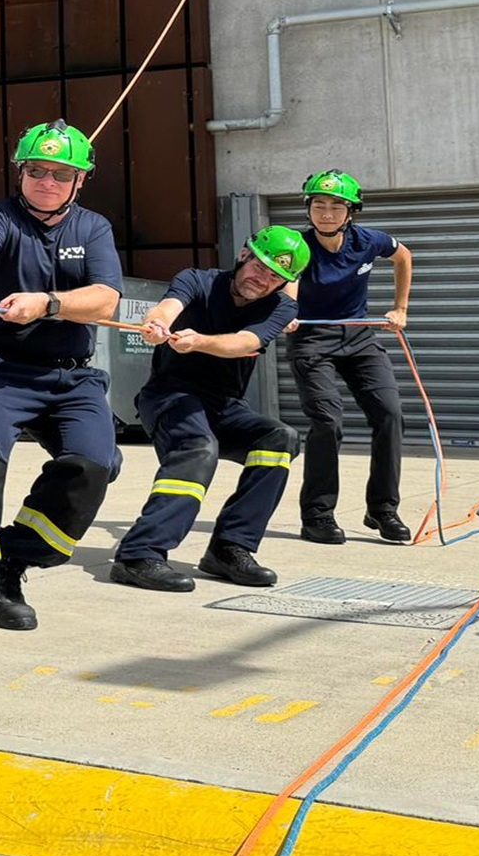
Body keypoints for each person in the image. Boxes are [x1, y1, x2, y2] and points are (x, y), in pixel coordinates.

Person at [0, 122, 125, 652]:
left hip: (69, 373)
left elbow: (105, 299)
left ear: (81, 180)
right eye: (37, 170)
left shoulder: (93, 228)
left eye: (61, 174)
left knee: (95, 465)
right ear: (21, 171)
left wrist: (48, 302)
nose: (47, 182)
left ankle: (8, 563)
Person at [107, 228, 310, 593]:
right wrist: (157, 323)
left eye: (275, 276)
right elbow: (169, 305)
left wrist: (199, 341)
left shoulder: (283, 307)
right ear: (244, 255)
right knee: (198, 447)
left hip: (224, 404)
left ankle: (231, 548)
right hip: (170, 395)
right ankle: (139, 555)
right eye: (259, 267)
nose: (262, 279)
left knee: (280, 439)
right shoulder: (197, 280)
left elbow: (244, 342)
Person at [285, 171, 415, 546]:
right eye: (318, 205)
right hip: (311, 338)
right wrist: (288, 312)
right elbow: (290, 282)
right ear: (308, 209)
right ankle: (317, 515)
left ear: (351, 211)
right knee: (328, 420)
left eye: (335, 206)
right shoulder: (299, 245)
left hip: (359, 336)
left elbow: (403, 256)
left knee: (390, 414)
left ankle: (382, 508)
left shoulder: (369, 241)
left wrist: (400, 308)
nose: (326, 213)